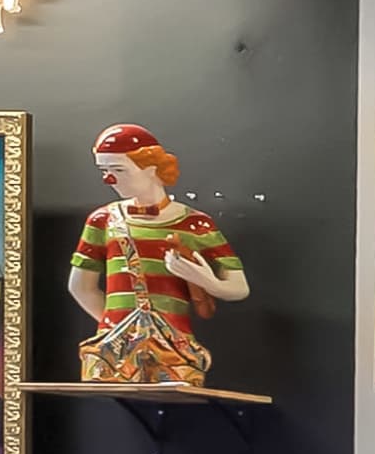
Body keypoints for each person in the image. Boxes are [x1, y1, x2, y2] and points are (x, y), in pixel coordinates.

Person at [67, 122, 249, 387]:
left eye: (118, 170)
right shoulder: (102, 220)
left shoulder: (195, 223)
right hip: (115, 354)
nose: (109, 179)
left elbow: (239, 287)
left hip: (175, 348)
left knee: (174, 391)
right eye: (104, 171)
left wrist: (206, 281)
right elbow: (80, 287)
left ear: (151, 168)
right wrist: (117, 327)